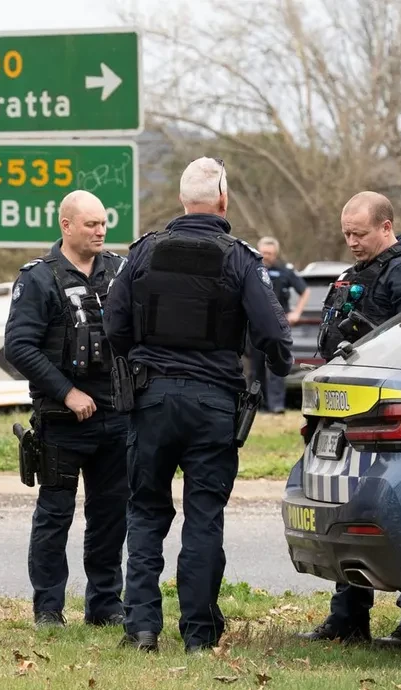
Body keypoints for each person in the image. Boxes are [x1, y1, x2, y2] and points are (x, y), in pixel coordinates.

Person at [103, 157, 294, 653]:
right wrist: (281, 367)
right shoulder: (240, 258)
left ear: (182, 200)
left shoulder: (143, 252)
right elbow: (273, 333)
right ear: (223, 200)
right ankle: (199, 635)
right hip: (213, 403)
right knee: (204, 514)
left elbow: (113, 324)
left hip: (152, 399)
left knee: (145, 511)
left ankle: (142, 628)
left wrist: (141, 359)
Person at [296, 191, 401, 648]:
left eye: (360, 233)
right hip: (342, 411)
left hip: (387, 414)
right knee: (346, 511)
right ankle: (348, 618)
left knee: (400, 512)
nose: (352, 242)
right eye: (347, 234)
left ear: (386, 227)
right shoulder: (354, 274)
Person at [3, 189, 130, 629]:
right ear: (67, 225)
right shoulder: (39, 278)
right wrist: (66, 392)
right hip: (62, 420)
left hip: (116, 415)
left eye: (103, 223)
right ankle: (48, 608)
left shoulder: (120, 272)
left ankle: (105, 604)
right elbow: (19, 347)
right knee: (54, 515)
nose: (100, 231)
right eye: (91, 224)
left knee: (110, 516)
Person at [247, 237, 309, 413]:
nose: (266, 256)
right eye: (264, 253)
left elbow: (305, 291)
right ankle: (260, 405)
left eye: (270, 253)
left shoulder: (285, 270)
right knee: (256, 368)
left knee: (277, 364)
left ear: (276, 254)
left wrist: (296, 313)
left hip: (278, 325)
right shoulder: (250, 268)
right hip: (255, 324)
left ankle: (276, 405)